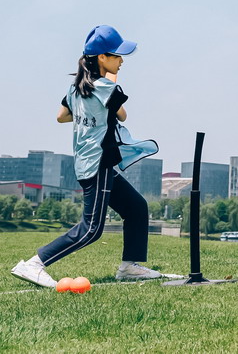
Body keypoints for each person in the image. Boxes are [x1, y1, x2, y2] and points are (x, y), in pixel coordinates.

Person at [11, 25, 161, 288]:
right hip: (98, 163)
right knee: (91, 229)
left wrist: (89, 112)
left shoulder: (76, 88)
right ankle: (34, 263)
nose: (122, 61)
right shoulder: (105, 87)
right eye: (117, 56)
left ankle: (130, 267)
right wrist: (110, 86)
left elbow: (61, 116)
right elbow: (123, 115)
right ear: (102, 57)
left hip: (90, 161)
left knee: (136, 207)